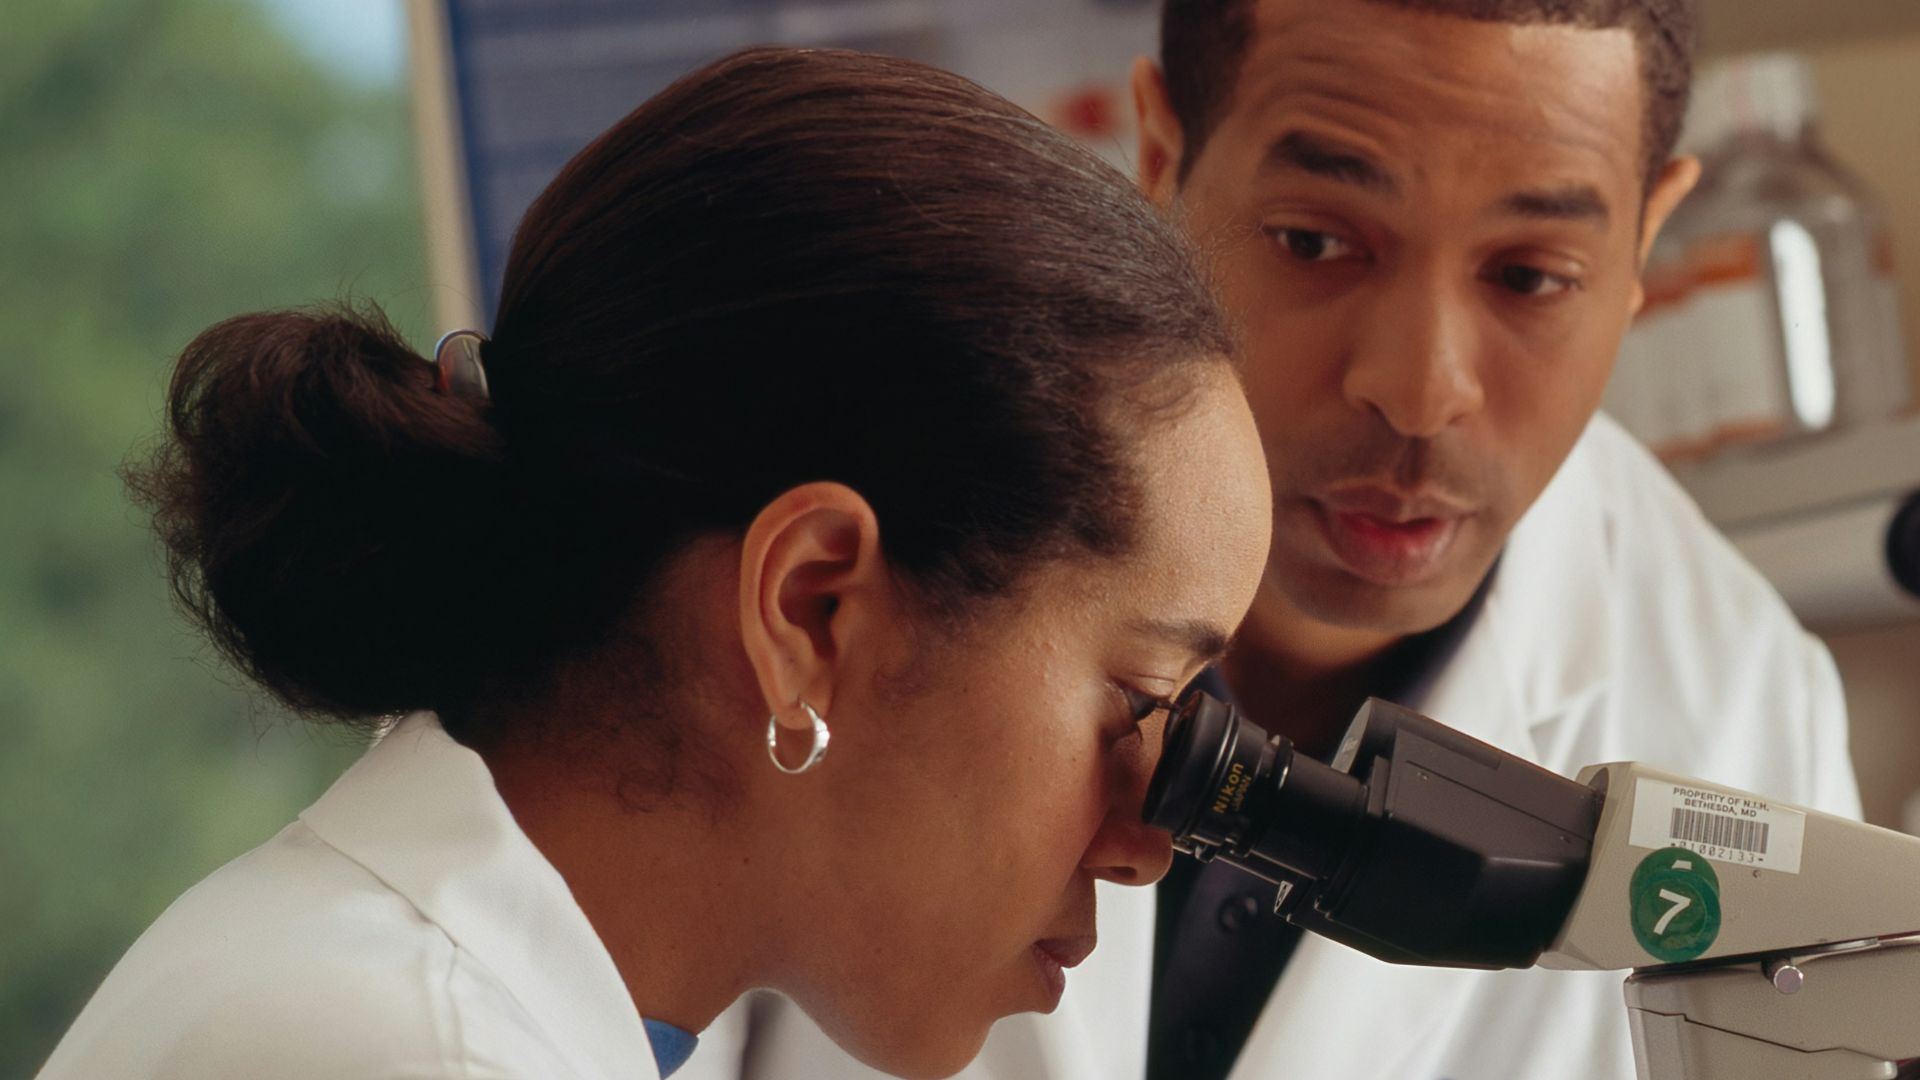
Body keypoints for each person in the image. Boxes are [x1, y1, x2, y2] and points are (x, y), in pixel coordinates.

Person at [35, 47, 1277, 1080]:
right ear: (810, 609)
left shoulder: (446, 994)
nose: (1147, 845)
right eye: (1143, 704)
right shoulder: (414, 1048)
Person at [685, 3, 1864, 1079]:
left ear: (1647, 244)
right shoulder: (864, 497)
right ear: (1160, 157)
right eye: (1314, 241)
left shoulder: (1742, 714)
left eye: (1531, 275)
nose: (1417, 389)